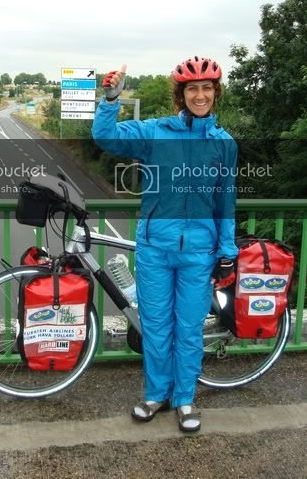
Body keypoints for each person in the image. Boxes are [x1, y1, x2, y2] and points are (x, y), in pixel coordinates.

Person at [91, 57, 238, 432]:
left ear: (215, 92)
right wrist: (111, 101)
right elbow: (106, 137)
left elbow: (225, 201)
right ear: (181, 94)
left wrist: (227, 252)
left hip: (199, 253)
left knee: (188, 331)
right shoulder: (155, 132)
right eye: (193, 89)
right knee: (156, 328)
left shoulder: (224, 144)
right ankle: (157, 395)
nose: (200, 95)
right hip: (155, 249)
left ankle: (185, 399)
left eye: (207, 88)